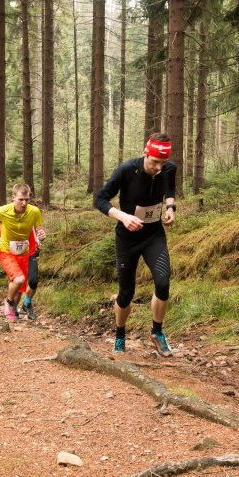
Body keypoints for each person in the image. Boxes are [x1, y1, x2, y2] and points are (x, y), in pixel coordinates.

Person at [94, 133, 176, 357]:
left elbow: (170, 189)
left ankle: (157, 332)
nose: (158, 167)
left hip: (153, 235)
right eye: (154, 162)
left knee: (163, 281)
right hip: (127, 239)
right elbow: (99, 200)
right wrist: (122, 216)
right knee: (126, 293)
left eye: (163, 162)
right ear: (144, 153)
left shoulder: (168, 169)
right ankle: (120, 334)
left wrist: (170, 208)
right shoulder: (126, 170)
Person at [0, 184, 46, 320]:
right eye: (21, 199)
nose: (24, 203)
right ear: (13, 197)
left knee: (20, 285)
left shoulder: (34, 211)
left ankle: (14, 308)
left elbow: (38, 229)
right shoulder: (3, 211)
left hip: (24, 252)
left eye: (27, 199)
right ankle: (9, 303)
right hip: (5, 250)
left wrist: (41, 236)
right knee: (19, 279)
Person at [0, 224, 41, 319]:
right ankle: (13, 307)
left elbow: (37, 233)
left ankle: (27, 303)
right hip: (14, 255)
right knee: (19, 285)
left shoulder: (31, 216)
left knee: (33, 281)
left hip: (31, 253)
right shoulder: (7, 216)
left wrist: (40, 237)